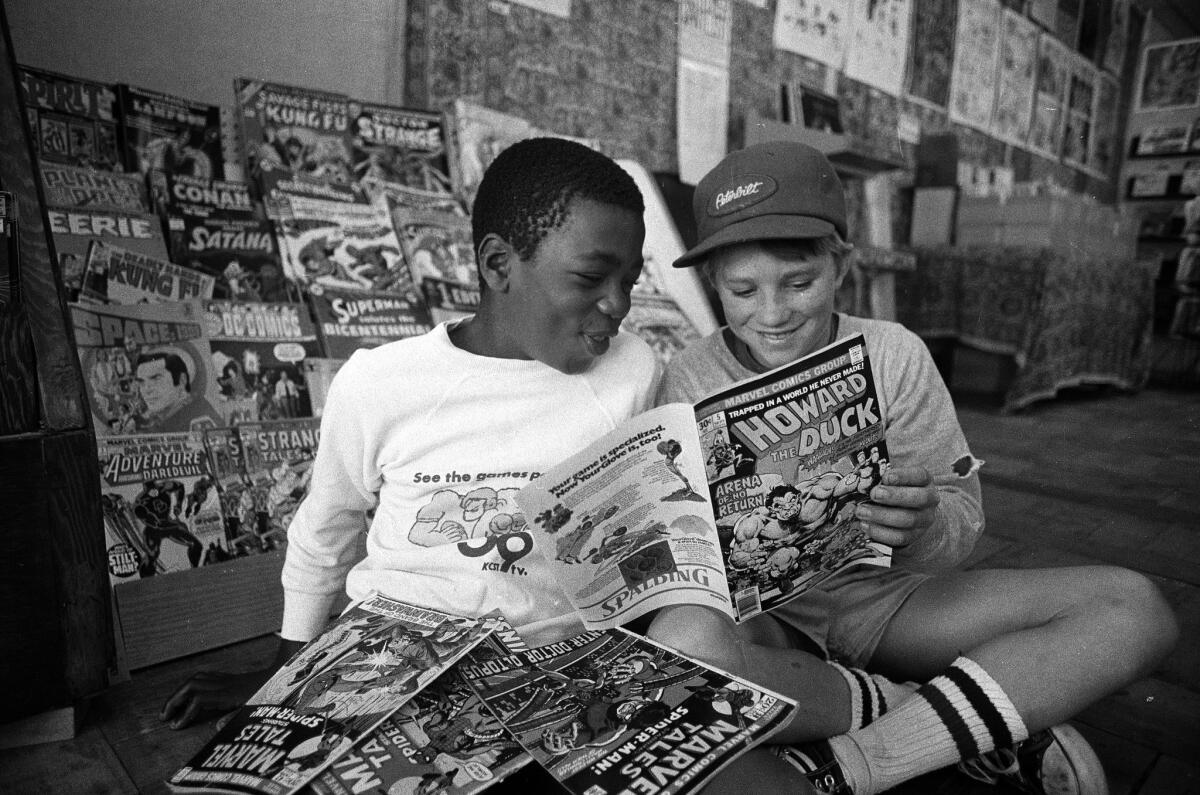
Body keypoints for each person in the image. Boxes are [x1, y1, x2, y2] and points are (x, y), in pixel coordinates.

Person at [649, 140, 1180, 794]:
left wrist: (923, 520)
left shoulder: (894, 354)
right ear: (712, 285)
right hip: (763, 622)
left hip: (887, 600)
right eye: (741, 289)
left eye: (798, 281)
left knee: (1135, 607)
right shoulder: (690, 375)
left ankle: (857, 760)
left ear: (839, 265)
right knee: (682, 652)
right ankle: (948, 713)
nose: (773, 312)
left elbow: (961, 518)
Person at [157, 136, 663, 728]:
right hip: (388, 661)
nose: (618, 304)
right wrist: (286, 678)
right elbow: (328, 527)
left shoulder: (634, 371)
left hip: (551, 674)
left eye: (629, 280)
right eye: (591, 278)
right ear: (498, 264)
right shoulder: (381, 381)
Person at [134, 348, 220, 432]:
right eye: (141, 382)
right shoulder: (160, 418)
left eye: (156, 379)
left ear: (182, 380)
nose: (146, 390)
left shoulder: (198, 418)